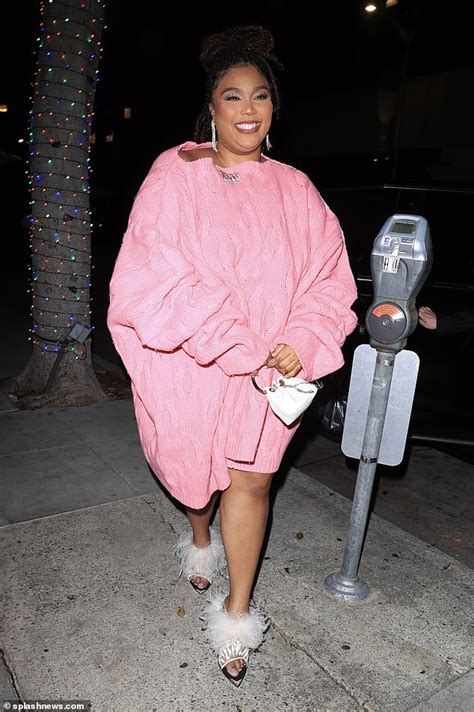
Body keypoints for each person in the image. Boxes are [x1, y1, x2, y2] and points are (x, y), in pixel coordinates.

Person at [107, 25, 357, 686]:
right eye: (232, 96)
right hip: (193, 362)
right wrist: (228, 338)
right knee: (197, 473)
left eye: (261, 96)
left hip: (270, 373)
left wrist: (299, 342)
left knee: (251, 480)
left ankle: (237, 613)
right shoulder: (174, 172)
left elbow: (329, 279)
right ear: (211, 107)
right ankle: (198, 535)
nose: (248, 109)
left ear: (274, 108)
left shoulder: (297, 188)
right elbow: (149, 275)